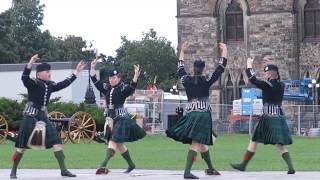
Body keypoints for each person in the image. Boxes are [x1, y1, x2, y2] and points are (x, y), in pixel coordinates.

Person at [10, 54, 86, 179]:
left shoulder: (50, 85)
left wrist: (76, 72)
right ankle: (13, 171)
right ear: (39, 74)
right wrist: (30, 64)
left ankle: (63, 170)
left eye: (49, 71)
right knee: (21, 147)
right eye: (47, 71)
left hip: (43, 116)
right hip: (30, 116)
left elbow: (64, 84)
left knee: (57, 141)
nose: (49, 73)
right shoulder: (33, 83)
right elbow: (24, 78)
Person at [166, 42, 228, 179]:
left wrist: (182, 51)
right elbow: (220, 68)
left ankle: (211, 168)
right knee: (196, 143)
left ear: (193, 68)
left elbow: (180, 68)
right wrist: (225, 52)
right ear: (203, 68)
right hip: (203, 114)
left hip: (191, 114)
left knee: (202, 143)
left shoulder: (186, 80)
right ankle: (187, 172)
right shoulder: (207, 80)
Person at [230, 57, 295, 174]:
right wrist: (269, 63)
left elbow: (252, 79)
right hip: (279, 117)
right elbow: (271, 80)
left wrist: (249, 65)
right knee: (280, 144)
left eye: (266, 73)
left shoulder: (268, 85)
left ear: (270, 75)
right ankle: (291, 167)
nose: (265, 76)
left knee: (254, 140)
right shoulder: (281, 85)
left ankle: (243, 165)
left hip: (268, 117)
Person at [90, 58, 146, 175]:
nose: (112, 80)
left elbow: (132, 87)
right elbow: (95, 81)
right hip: (111, 119)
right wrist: (92, 68)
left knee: (114, 140)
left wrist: (136, 75)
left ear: (119, 78)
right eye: (110, 78)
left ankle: (103, 165)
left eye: (114, 78)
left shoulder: (123, 88)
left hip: (122, 118)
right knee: (119, 144)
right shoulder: (106, 87)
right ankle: (131, 165)